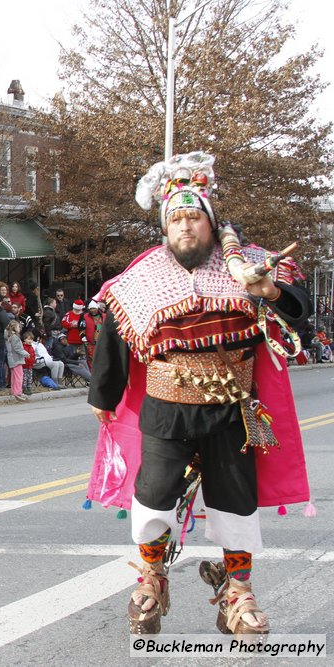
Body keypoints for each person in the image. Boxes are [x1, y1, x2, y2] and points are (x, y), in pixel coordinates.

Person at [86, 151, 311, 636]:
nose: (185, 227)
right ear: (165, 227)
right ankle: (151, 578)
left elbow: (300, 314)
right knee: (153, 494)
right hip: (167, 408)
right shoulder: (144, 273)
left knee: (236, 500)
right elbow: (116, 333)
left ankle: (237, 590)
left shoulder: (249, 264)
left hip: (234, 409)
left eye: (194, 217)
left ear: (210, 222)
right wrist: (104, 397)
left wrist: (269, 291)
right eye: (176, 219)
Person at [5, 319, 28, 402]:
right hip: (16, 358)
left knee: (14, 376)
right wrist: (26, 354)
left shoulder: (9, 336)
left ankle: (13, 391)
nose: (20, 328)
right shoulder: (15, 337)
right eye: (18, 326)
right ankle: (18, 392)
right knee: (19, 376)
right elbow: (18, 348)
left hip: (11, 358)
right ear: (14, 327)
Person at [83, 299, 104, 367]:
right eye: (91, 309)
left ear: (97, 308)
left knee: (102, 358)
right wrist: (84, 339)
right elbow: (81, 329)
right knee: (91, 359)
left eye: (94, 308)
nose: (92, 310)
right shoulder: (84, 316)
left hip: (102, 341)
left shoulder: (104, 316)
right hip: (91, 342)